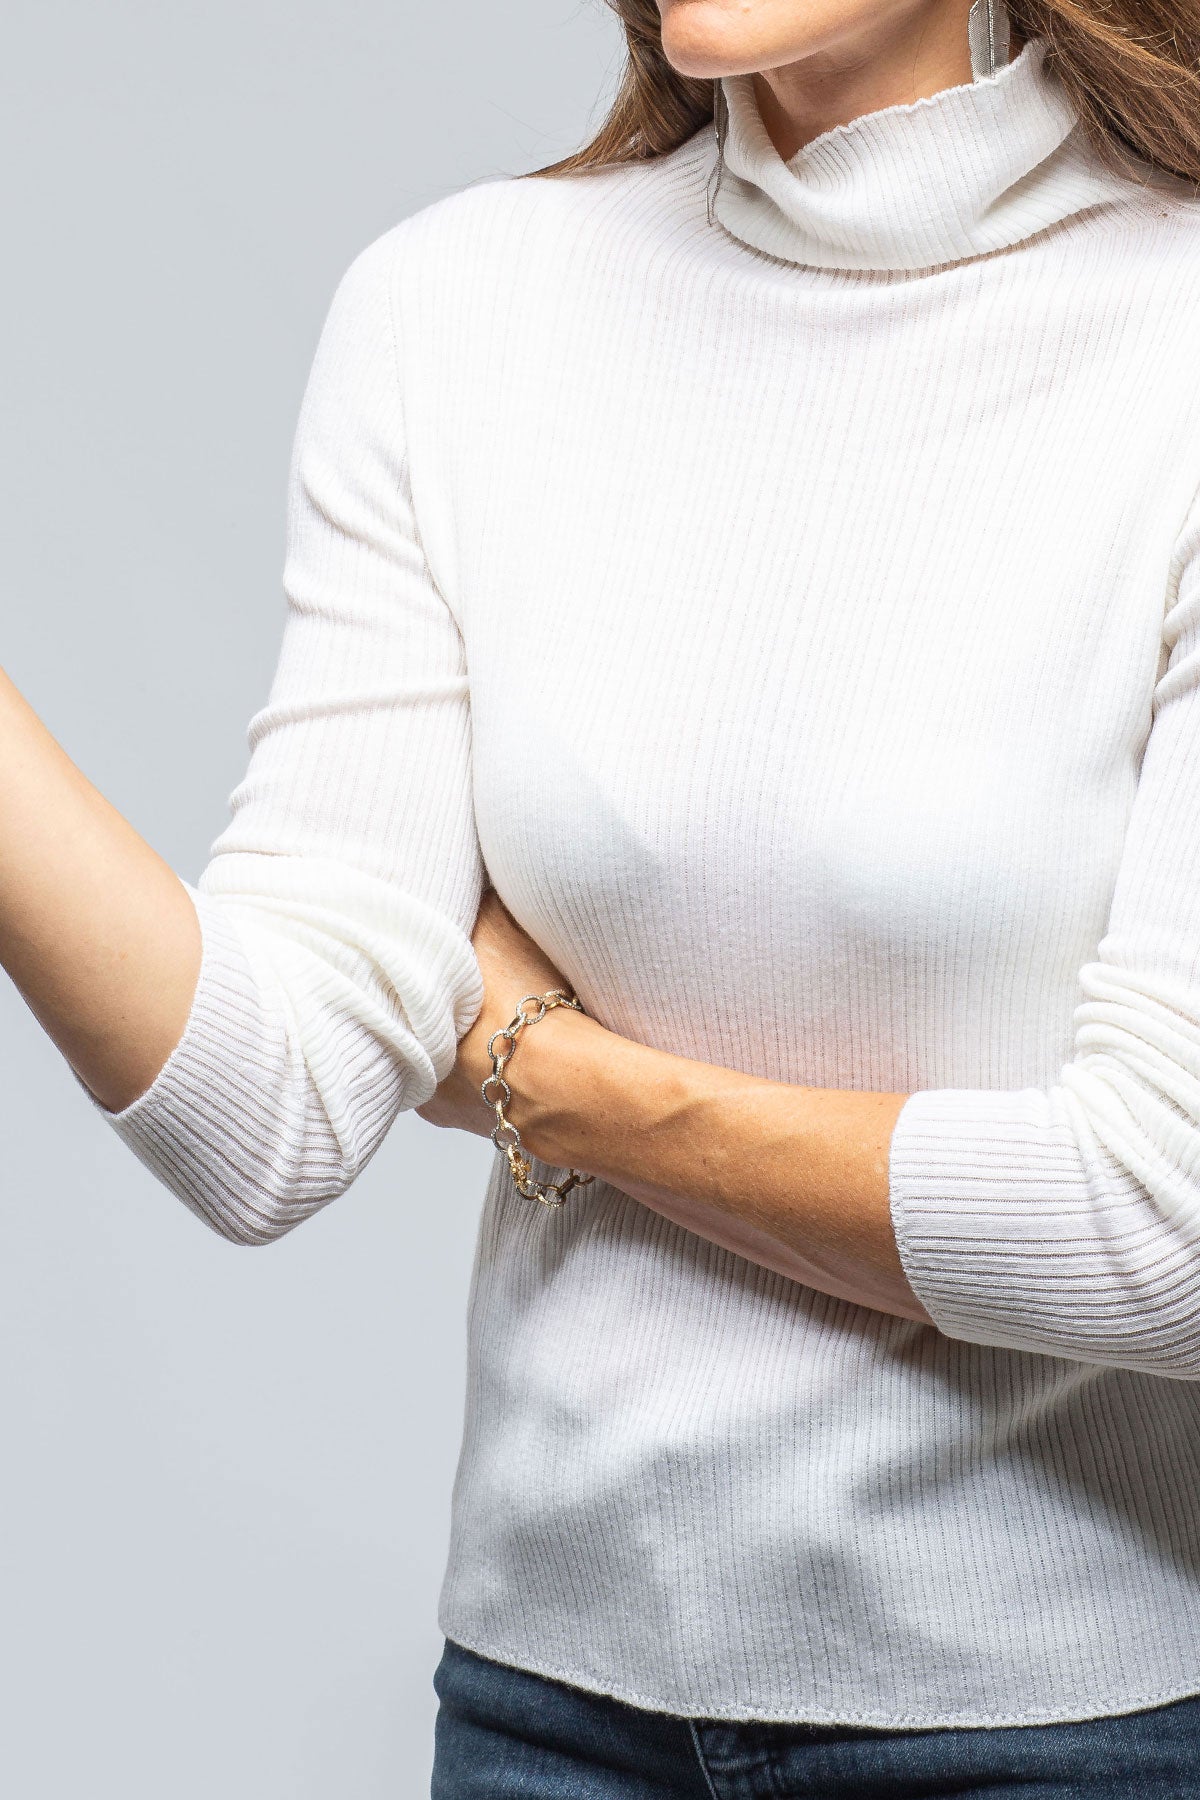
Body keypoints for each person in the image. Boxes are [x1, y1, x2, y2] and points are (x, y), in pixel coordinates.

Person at [5, 0, 1200, 1790]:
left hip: (1070, 1734)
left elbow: (1159, 1228)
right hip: (546, 1712)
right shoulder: (460, 312)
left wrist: (541, 1068)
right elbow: (270, 1107)